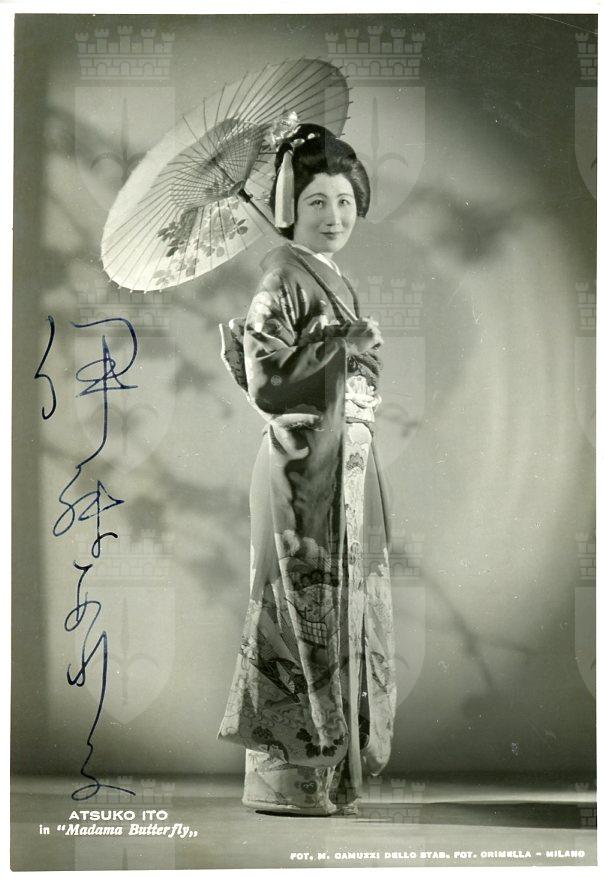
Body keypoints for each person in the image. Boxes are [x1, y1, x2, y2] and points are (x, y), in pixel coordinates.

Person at [217, 122, 396, 815]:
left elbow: (342, 375)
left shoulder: (328, 275)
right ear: (289, 207)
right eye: (316, 201)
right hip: (302, 470)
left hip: (343, 463)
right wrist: (344, 344)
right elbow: (269, 383)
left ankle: (328, 777)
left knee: (342, 607)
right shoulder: (282, 276)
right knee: (302, 609)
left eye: (345, 201)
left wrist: (349, 349)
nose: (334, 216)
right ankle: (288, 781)